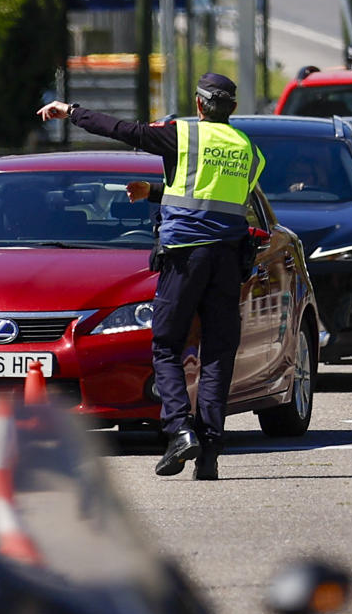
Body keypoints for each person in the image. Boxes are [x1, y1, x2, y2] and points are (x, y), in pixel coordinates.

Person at [38, 73, 264, 481]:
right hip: (228, 260)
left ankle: (179, 428)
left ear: (198, 105)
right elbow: (213, 197)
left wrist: (70, 111)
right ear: (231, 108)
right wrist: (155, 192)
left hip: (185, 257)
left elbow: (124, 130)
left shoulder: (185, 136)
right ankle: (209, 450)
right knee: (217, 353)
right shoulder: (248, 149)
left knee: (165, 344)